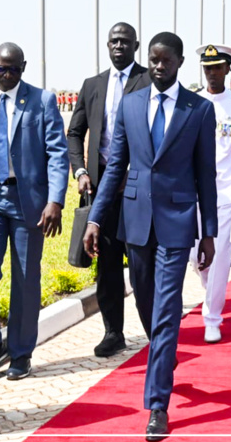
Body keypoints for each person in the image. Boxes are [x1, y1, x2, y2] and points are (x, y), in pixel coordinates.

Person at [83, 32, 217, 440]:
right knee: (145, 300)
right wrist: (95, 219)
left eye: (166, 61)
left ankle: (157, 404)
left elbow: (206, 175)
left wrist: (208, 232)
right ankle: (165, 351)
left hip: (176, 221)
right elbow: (116, 166)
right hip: (135, 220)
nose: (158, 67)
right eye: (153, 60)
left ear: (178, 62)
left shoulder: (199, 110)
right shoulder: (131, 104)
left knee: (166, 308)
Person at [0, 43, 69, 380]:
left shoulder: (42, 101)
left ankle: (21, 352)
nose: (8, 75)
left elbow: (57, 153)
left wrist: (55, 200)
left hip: (27, 201)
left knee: (25, 279)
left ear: (23, 67)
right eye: (1, 69)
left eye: (15, 69)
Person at [67, 22, 151, 357]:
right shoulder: (93, 85)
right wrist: (81, 171)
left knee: (143, 265)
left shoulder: (148, 80)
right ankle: (113, 332)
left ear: (136, 45)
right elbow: (75, 133)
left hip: (139, 186)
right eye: (114, 41)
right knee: (108, 265)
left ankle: (154, 332)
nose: (119, 46)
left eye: (125, 42)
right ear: (107, 45)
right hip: (102, 188)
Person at [190, 43, 231, 343]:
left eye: (217, 68)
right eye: (207, 68)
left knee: (217, 260)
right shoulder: (191, 102)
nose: (212, 74)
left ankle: (212, 318)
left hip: (225, 193)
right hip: (191, 194)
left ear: (228, 70)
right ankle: (210, 290)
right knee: (195, 257)